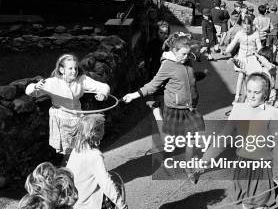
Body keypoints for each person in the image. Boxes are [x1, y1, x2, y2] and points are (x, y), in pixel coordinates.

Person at [200, 73, 278, 209]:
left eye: (257, 92)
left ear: (266, 94)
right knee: (246, 206)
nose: (252, 96)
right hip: (243, 166)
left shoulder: (273, 114)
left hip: (263, 168)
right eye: (249, 91)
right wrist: (204, 161)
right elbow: (223, 138)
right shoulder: (238, 110)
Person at [122, 33, 205, 173]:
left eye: (188, 54)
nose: (186, 57)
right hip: (174, 109)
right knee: (169, 142)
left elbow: (186, 77)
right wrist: (134, 95)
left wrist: (200, 75)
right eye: (183, 54)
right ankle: (156, 113)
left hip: (190, 109)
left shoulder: (186, 61)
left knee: (195, 135)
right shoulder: (167, 65)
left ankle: (189, 167)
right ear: (174, 51)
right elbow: (153, 85)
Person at [25, 54, 110, 159]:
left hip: (78, 119)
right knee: (69, 154)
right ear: (61, 69)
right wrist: (35, 86)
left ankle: (86, 170)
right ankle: (69, 172)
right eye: (70, 68)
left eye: (75, 68)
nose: (74, 71)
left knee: (85, 148)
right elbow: (29, 91)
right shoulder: (53, 82)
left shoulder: (82, 80)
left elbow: (104, 87)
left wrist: (102, 94)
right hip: (62, 121)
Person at [67, 114, 127, 209]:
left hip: (74, 202)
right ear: (95, 132)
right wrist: (120, 203)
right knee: (116, 186)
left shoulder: (76, 149)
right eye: (102, 128)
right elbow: (105, 182)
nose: (104, 130)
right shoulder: (94, 155)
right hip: (86, 205)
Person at [225, 16, 262, 103]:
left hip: (252, 58)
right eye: (244, 25)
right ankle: (237, 96)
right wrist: (227, 50)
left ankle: (248, 97)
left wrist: (261, 56)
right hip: (241, 57)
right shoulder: (239, 33)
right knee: (241, 75)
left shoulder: (255, 34)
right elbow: (233, 43)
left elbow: (259, 47)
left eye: (248, 25)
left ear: (251, 25)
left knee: (249, 78)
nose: (246, 28)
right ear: (242, 25)